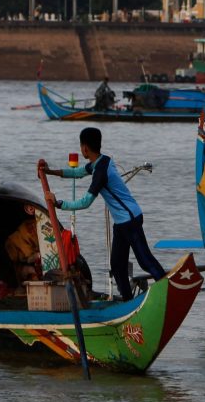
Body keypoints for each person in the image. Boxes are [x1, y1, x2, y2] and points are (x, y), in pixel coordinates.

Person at [42, 127, 165, 300]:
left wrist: (58, 204)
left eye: (81, 146)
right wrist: (50, 172)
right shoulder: (101, 161)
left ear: (84, 148)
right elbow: (77, 172)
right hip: (122, 223)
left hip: (130, 220)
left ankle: (168, 292)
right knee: (117, 265)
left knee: (145, 261)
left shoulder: (100, 171)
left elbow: (85, 202)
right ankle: (128, 302)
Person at [4, 204, 43, 285]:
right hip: (19, 261)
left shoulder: (37, 226)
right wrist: (38, 255)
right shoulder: (24, 231)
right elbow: (28, 258)